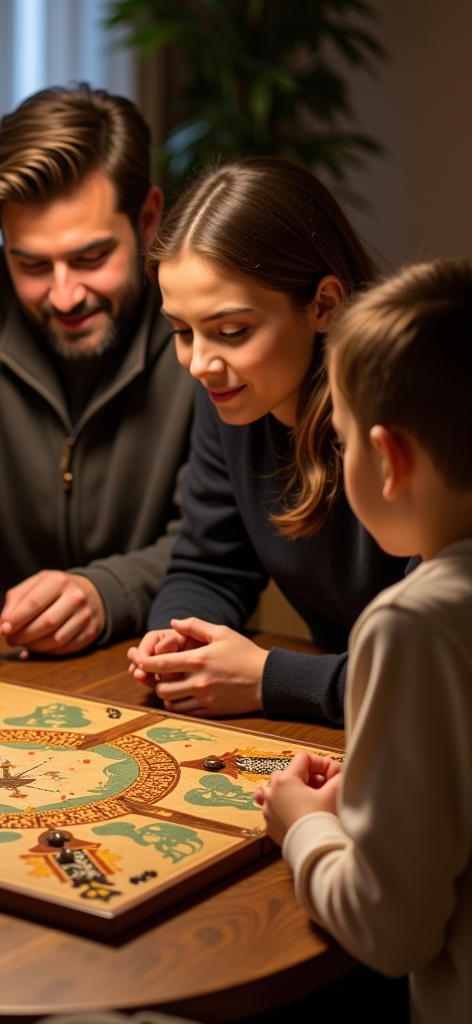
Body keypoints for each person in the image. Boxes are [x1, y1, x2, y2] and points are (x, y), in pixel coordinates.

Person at [0, 83, 193, 659]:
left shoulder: (203, 327)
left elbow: (219, 544)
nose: (65, 295)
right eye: (31, 265)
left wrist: (108, 593)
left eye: (92, 258)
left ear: (148, 219)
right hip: (3, 669)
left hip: (155, 655)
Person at [257, 259, 472, 1023]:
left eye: (341, 441)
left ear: (393, 458)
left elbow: (390, 928)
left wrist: (300, 823)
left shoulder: (412, 623)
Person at [127, 157, 409, 724]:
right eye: (181, 332)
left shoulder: (411, 417)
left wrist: (267, 679)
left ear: (324, 305)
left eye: (232, 332)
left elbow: (437, 668)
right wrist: (179, 641)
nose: (201, 364)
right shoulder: (234, 392)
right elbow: (209, 567)